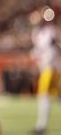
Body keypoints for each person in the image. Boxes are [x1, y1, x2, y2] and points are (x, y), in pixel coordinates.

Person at [30, 7, 60, 135]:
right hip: (48, 67)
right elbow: (38, 51)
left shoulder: (53, 31)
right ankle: (41, 125)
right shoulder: (38, 33)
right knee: (51, 96)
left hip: (52, 67)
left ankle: (41, 125)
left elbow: (55, 48)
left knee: (43, 95)